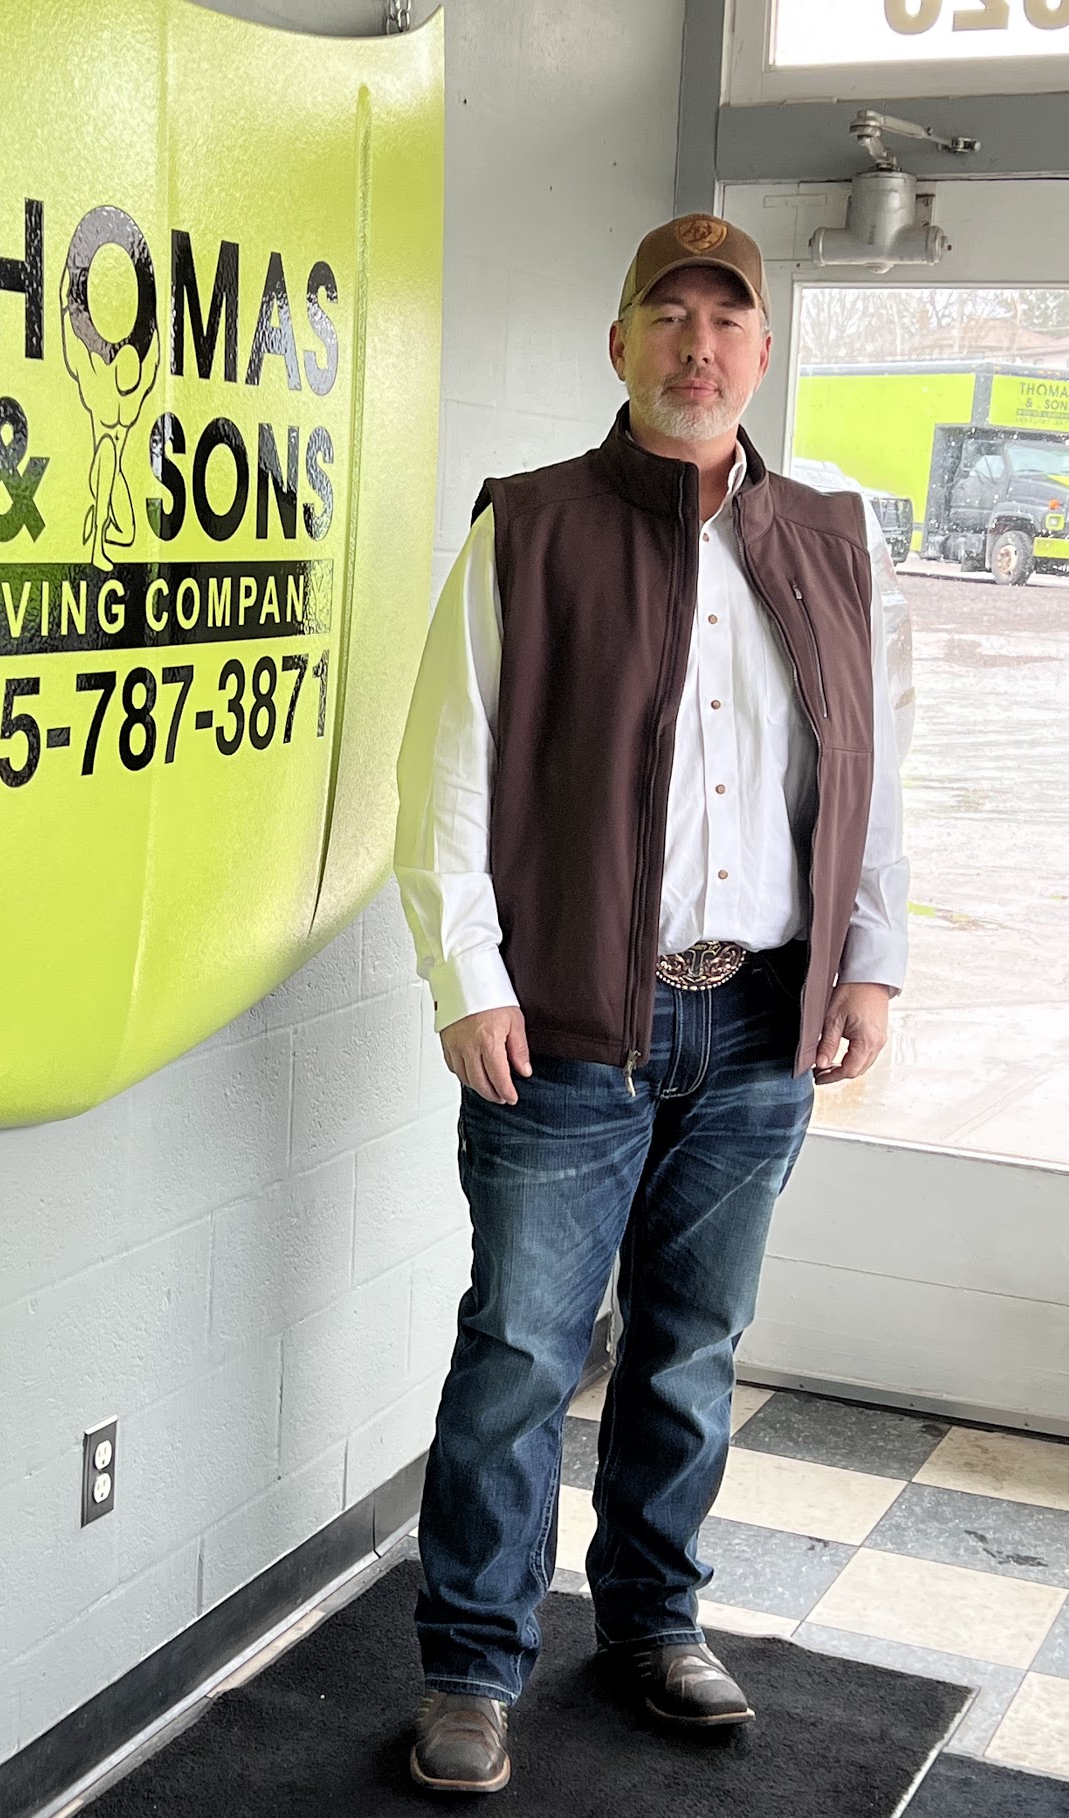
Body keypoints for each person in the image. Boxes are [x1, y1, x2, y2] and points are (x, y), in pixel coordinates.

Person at [393, 213, 908, 1795]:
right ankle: (475, 1664)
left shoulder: (837, 537)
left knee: (690, 1350)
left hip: (758, 1026)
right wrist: (467, 977)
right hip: (566, 1031)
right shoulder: (529, 529)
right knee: (522, 1358)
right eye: (666, 317)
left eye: (726, 321)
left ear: (762, 354)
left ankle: (651, 1624)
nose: (698, 347)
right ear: (618, 345)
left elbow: (872, 773)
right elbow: (446, 776)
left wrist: (869, 955)